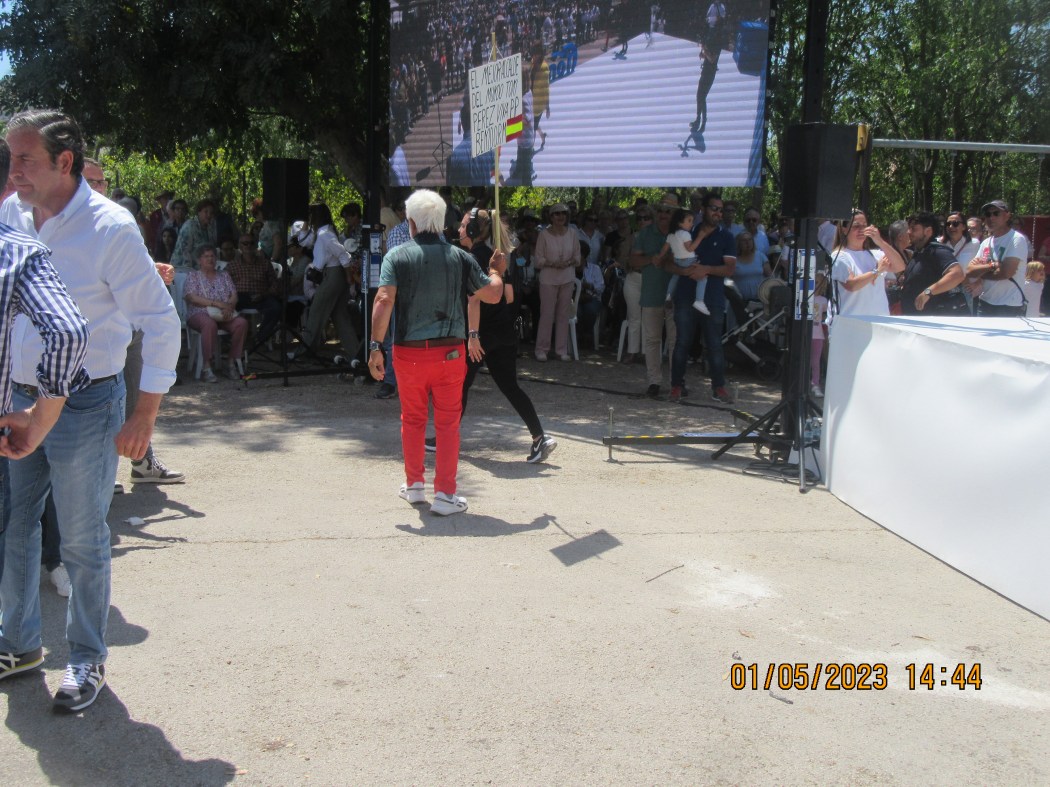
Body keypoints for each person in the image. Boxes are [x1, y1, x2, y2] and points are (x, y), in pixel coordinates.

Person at [0, 109, 181, 712]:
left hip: (86, 403)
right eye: (11, 157)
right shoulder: (11, 215)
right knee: (17, 526)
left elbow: (161, 322)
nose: (13, 170)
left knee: (80, 539)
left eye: (25, 158)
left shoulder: (110, 228)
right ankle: (19, 645)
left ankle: (85, 657)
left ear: (64, 162)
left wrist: (144, 415)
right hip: (19, 398)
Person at [368, 189, 506, 516]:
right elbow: (492, 294)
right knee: (447, 424)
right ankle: (445, 494)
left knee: (412, 419)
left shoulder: (396, 256)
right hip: (450, 355)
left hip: (408, 353)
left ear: (412, 222)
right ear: (442, 222)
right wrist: (497, 270)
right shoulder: (460, 257)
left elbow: (384, 301)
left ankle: (415, 485)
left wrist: (375, 347)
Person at [434, 209, 557, 463]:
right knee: (510, 387)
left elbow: (473, 300)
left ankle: (444, 439)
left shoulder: (472, 259)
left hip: (481, 335)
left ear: (472, 231)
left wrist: (473, 335)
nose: (459, 230)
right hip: (504, 332)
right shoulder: (498, 259)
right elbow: (509, 297)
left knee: (460, 386)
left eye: (463, 226)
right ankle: (539, 437)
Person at [670, 194, 736, 404]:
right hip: (685, 296)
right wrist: (686, 271)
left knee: (714, 343)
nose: (718, 213)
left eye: (720, 210)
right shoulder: (687, 230)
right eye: (714, 208)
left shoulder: (727, 237)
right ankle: (676, 386)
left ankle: (719, 387)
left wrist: (706, 269)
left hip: (712, 299)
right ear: (703, 209)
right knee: (682, 342)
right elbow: (670, 262)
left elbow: (730, 269)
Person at [296, 203, 360, 359]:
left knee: (316, 311)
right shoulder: (322, 232)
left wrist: (348, 275)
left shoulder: (325, 234)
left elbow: (343, 254)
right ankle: (356, 354)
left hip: (334, 274)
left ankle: (305, 351)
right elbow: (303, 241)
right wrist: (306, 222)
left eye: (311, 215)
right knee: (340, 316)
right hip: (332, 274)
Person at [184, 244, 249, 382]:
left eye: (212, 256)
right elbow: (192, 298)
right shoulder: (193, 276)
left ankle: (230, 363)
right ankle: (207, 367)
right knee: (209, 324)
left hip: (223, 313)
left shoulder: (224, 275)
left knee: (241, 323)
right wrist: (217, 304)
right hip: (199, 312)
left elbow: (234, 295)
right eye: (206, 256)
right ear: (199, 260)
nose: (210, 259)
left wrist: (229, 307)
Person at [631, 205, 677, 397]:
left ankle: (676, 382)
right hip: (651, 294)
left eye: (667, 211)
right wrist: (651, 259)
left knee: (676, 340)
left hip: (676, 295)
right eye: (660, 211)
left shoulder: (681, 233)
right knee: (652, 340)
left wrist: (668, 259)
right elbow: (633, 261)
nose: (663, 214)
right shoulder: (645, 233)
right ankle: (654, 382)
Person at [829, 210, 906, 324]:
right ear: (844, 229)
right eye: (856, 226)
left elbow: (900, 266)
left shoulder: (875, 254)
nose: (861, 230)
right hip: (849, 323)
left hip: (878, 322)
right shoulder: (839, 256)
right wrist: (877, 271)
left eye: (864, 225)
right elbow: (852, 285)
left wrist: (880, 242)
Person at [966, 200, 1030, 317]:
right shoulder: (985, 242)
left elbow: (1006, 273)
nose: (991, 218)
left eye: (996, 213)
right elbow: (970, 271)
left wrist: (981, 271)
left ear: (1007, 216)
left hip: (1009, 305)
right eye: (988, 214)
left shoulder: (1016, 239)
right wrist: (992, 265)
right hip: (984, 303)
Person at [533, 203, 580, 361]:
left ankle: (561, 350)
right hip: (548, 279)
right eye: (557, 214)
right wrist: (553, 264)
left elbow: (578, 257)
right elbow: (538, 259)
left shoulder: (572, 234)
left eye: (563, 214)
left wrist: (567, 263)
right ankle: (542, 349)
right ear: (551, 217)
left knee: (563, 314)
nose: (561, 217)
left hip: (567, 278)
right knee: (547, 314)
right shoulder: (543, 235)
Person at [899, 212, 965, 316]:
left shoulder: (937, 251)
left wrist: (928, 292)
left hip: (933, 318)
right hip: (914, 317)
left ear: (928, 231)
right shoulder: (919, 253)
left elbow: (957, 274)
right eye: (909, 228)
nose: (908, 232)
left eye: (914, 229)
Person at [228, 234, 282, 352]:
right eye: (245, 243)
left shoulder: (265, 263)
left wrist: (264, 294)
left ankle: (260, 338)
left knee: (276, 308)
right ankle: (229, 340)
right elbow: (224, 285)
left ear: (255, 245)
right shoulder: (232, 265)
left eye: (251, 243)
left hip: (262, 295)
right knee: (225, 306)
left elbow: (275, 284)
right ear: (239, 246)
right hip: (240, 296)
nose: (248, 246)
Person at [660, 208, 709, 315]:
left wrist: (659, 256)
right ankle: (699, 300)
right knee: (702, 278)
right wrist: (700, 237)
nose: (692, 224)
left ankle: (668, 294)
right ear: (680, 222)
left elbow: (664, 249)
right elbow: (690, 248)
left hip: (677, 261)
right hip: (689, 261)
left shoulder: (671, 235)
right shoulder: (685, 234)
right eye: (689, 221)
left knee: (675, 276)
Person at [170, 198, 218, 270]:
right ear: (199, 212)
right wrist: (190, 272)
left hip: (202, 269)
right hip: (181, 268)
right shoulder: (189, 226)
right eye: (206, 212)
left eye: (211, 213)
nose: (209, 215)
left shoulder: (211, 227)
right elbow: (185, 252)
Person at [810, 273, 829, 398]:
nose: (815, 285)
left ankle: (815, 384)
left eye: (817, 282)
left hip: (818, 334)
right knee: (805, 360)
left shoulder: (823, 300)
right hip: (807, 333)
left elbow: (825, 316)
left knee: (816, 361)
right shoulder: (806, 298)